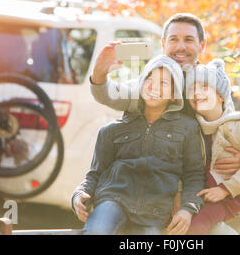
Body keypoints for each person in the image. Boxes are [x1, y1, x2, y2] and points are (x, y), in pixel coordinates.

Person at [74, 12, 240, 235]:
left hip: (209, 192)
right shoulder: (151, 85)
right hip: (160, 196)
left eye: (188, 40)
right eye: (173, 39)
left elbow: (236, 134)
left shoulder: (209, 82)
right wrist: (100, 74)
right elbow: (110, 94)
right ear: (163, 44)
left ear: (202, 45)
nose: (180, 47)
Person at [73, 55, 205, 235]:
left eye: (164, 83)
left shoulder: (188, 128)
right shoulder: (111, 130)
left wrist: (188, 209)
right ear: (141, 84)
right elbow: (94, 174)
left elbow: (194, 175)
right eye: (149, 79)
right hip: (113, 200)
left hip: (155, 211)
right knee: (98, 231)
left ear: (174, 94)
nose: (154, 86)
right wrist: (79, 194)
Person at [184, 59, 240, 235]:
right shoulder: (189, 128)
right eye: (192, 89)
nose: (196, 93)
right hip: (196, 200)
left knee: (196, 228)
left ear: (221, 95)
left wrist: (225, 190)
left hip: (227, 200)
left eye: (204, 87)